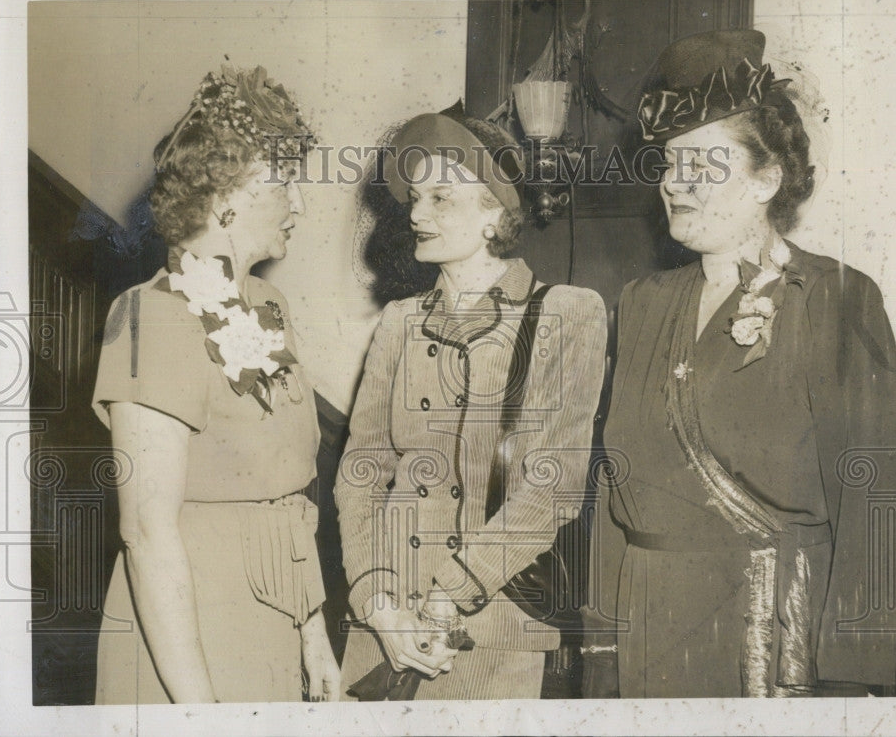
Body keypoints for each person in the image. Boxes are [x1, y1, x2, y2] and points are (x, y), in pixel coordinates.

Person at [583, 29, 896, 698]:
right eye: (669, 164)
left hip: (767, 638)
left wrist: (851, 685)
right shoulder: (640, 303)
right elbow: (614, 501)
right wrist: (601, 656)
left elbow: (874, 510)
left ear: (768, 178)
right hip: (645, 634)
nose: (674, 183)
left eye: (702, 163)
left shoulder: (839, 301)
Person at [334, 103, 607, 699]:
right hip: (382, 630)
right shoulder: (399, 322)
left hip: (489, 634)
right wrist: (378, 603)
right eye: (414, 199)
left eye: (440, 198)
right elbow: (362, 472)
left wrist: (448, 595)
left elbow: (552, 485)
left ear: (494, 213)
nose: (417, 214)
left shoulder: (567, 312)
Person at [92, 65, 340, 703]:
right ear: (235, 189)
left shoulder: (268, 303)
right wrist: (199, 714)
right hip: (190, 632)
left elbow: (290, 497)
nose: (301, 203)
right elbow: (146, 532)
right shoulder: (150, 315)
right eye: (287, 183)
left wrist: (312, 634)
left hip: (277, 613)